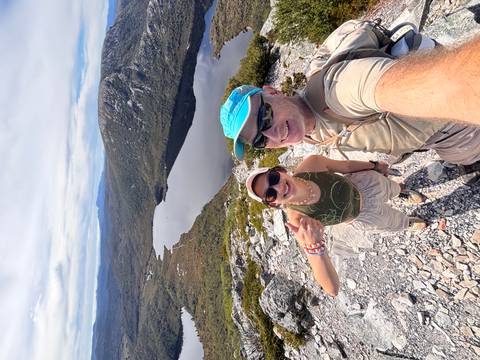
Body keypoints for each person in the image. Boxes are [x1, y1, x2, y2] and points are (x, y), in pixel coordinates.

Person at [219, 37, 480, 169]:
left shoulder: (339, 90)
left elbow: (446, 85)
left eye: (264, 117)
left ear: (273, 91)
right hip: (437, 140)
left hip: (456, 124)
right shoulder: (307, 129)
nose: (272, 134)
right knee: (463, 159)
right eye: (260, 141)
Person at [245, 155, 426, 297]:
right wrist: (315, 247)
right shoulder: (298, 220)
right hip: (362, 216)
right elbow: (332, 289)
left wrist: (373, 165)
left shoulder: (312, 164)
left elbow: (345, 167)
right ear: (274, 204)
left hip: (365, 183)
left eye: (274, 178)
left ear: (280, 170)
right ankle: (406, 222)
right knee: (392, 222)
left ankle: (400, 192)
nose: (277, 188)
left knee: (391, 188)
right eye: (270, 194)